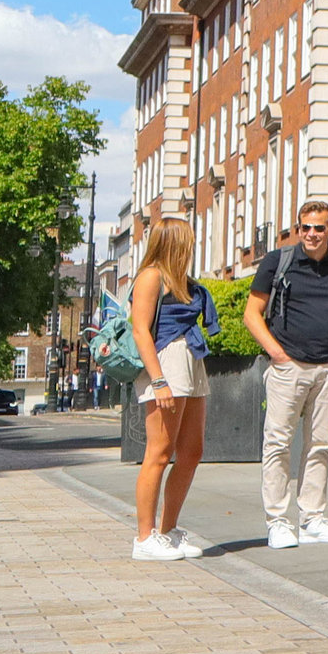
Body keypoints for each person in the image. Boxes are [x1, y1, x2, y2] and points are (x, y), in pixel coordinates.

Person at [243, 199, 328, 549]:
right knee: (278, 444)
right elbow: (253, 313)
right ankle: (278, 521)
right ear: (298, 229)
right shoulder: (278, 261)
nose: (311, 234)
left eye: (319, 228)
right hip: (288, 367)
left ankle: (312, 517)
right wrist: (277, 354)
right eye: (305, 227)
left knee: (320, 445)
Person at [125, 215, 210, 561]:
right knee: (159, 453)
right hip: (166, 365)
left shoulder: (181, 280)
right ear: (174, 242)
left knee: (191, 452)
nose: (192, 245)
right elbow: (141, 331)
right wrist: (158, 380)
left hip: (191, 363)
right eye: (187, 240)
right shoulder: (151, 277)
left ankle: (167, 530)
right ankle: (144, 538)